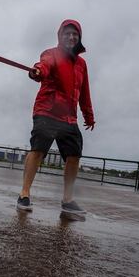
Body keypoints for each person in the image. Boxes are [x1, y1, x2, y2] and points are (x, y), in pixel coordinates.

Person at [17, 19, 95, 216]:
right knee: (38, 150)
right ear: (60, 36)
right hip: (47, 111)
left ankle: (67, 200)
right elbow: (44, 66)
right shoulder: (51, 54)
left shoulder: (82, 64)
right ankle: (24, 194)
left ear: (79, 37)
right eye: (67, 34)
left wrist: (88, 115)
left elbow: (84, 91)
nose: (71, 37)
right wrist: (37, 72)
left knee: (74, 155)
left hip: (69, 117)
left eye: (74, 34)